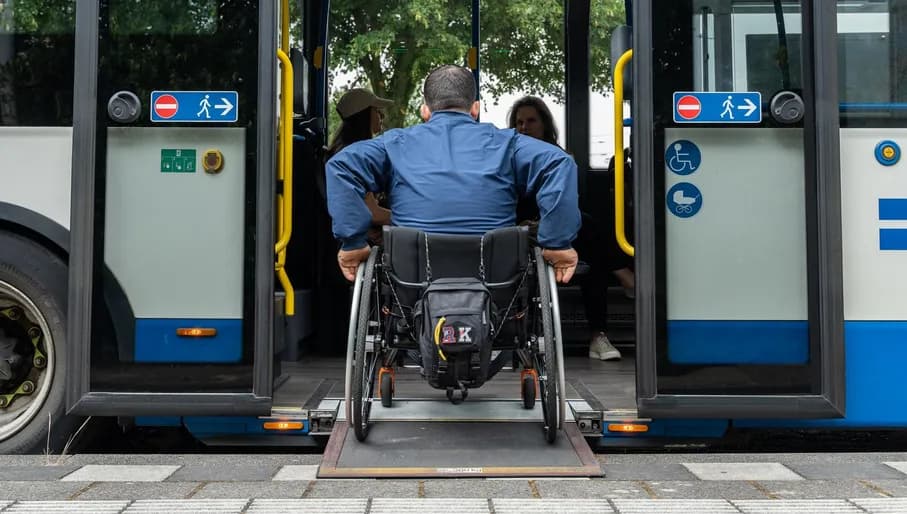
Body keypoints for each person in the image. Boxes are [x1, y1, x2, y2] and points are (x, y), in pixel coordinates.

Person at [326, 65, 581, 286]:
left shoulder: (394, 144)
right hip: (496, 279)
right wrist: (558, 242)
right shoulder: (508, 144)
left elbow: (341, 166)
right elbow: (560, 163)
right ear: (475, 108)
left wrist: (352, 242)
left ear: (425, 110)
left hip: (411, 280)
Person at [508, 95, 630, 361]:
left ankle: (599, 336)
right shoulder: (506, 158)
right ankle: (623, 273)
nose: (524, 127)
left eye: (531, 121)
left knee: (591, 244)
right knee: (589, 225)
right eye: (518, 122)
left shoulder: (560, 159)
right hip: (519, 229)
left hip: (557, 230)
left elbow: (569, 204)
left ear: (544, 125)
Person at [325, 88, 395, 239]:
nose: (381, 115)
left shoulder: (343, 150)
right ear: (365, 115)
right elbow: (373, 213)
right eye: (376, 110)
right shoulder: (353, 159)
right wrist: (410, 218)